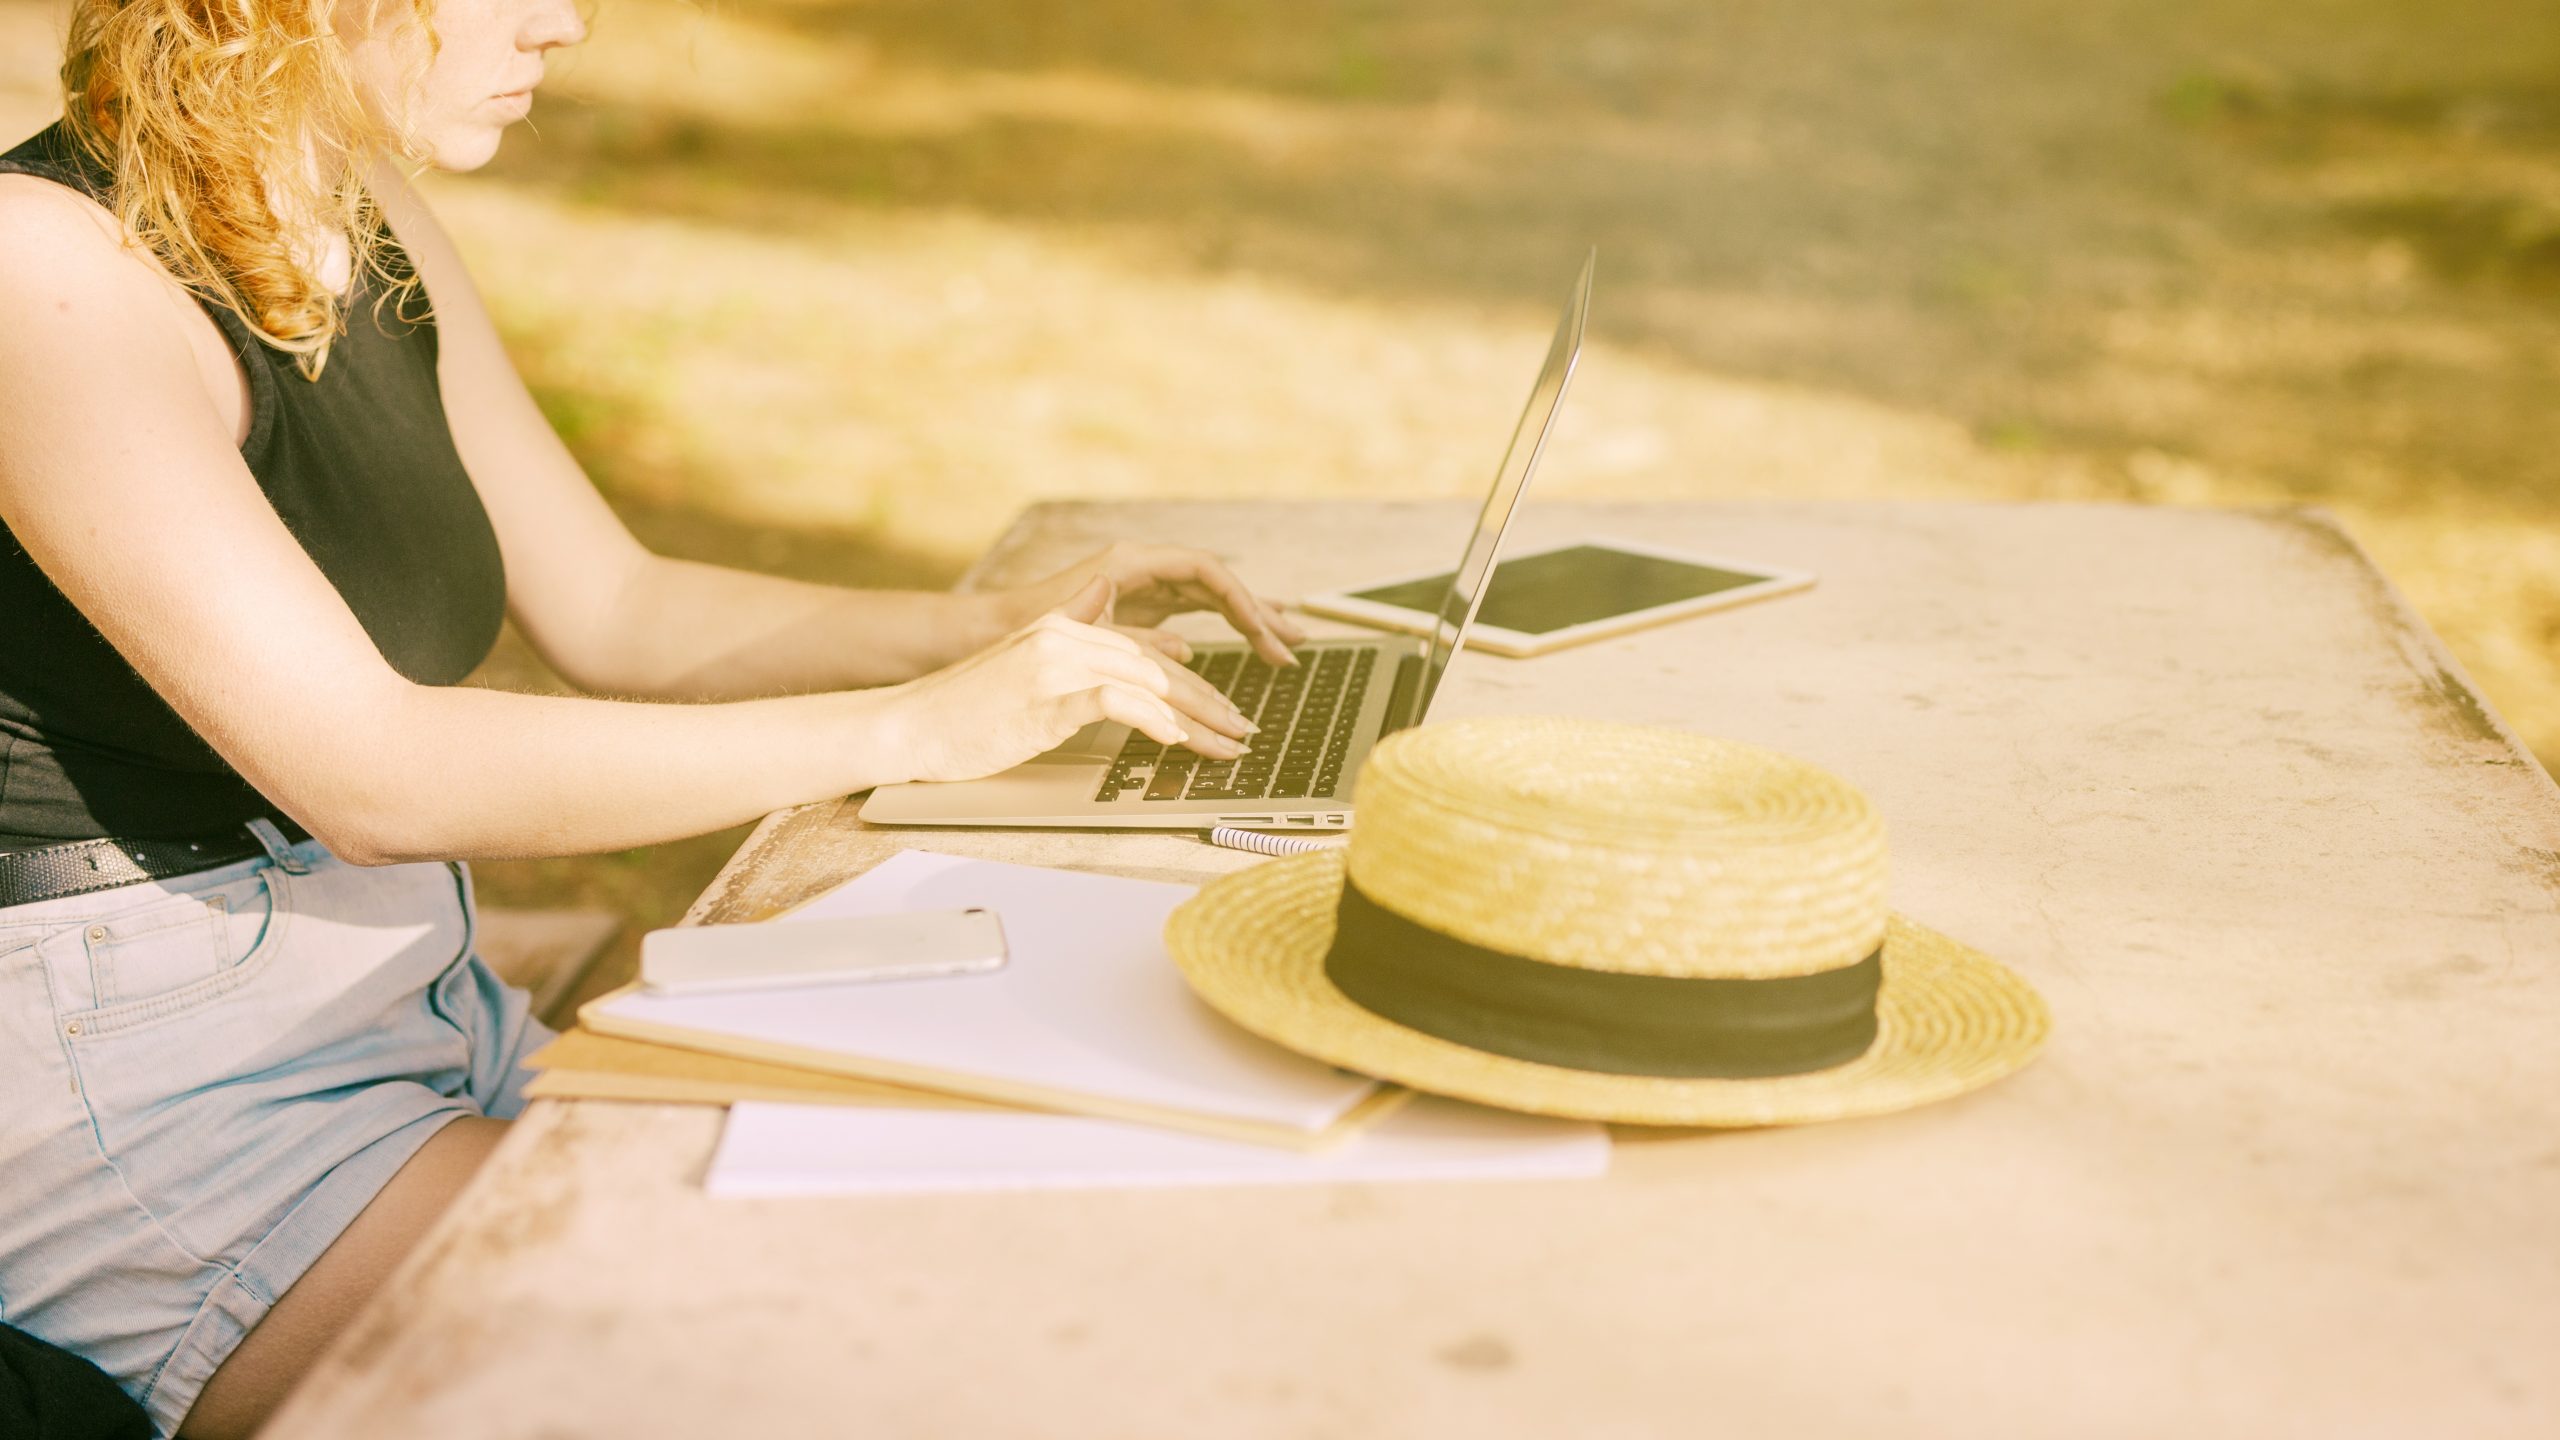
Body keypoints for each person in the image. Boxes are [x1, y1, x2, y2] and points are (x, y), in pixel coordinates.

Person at [0, 2, 1298, 1434]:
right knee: (775, 1362)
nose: (569, 25)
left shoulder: (358, 207)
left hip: (397, 995)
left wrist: (998, 633)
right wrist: (912, 727)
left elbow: (618, 605)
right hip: (160, 1091)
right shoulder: (42, 275)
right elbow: (375, 772)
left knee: (966, 1206)